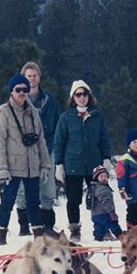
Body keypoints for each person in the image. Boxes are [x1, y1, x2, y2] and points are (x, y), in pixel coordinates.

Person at [0, 73, 51, 246]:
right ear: (11, 91)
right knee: (7, 202)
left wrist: (45, 164)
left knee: (34, 203)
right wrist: (1, 168)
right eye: (18, 89)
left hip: (32, 166)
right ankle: (0, 236)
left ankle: (39, 238)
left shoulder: (33, 112)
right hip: (12, 168)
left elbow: (41, 140)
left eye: (25, 89)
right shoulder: (2, 113)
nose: (22, 93)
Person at [53, 80, 113, 242]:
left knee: (100, 196)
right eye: (78, 95)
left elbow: (104, 139)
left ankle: (104, 228)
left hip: (94, 164)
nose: (81, 98)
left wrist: (106, 159)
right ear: (73, 97)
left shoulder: (97, 116)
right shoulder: (66, 117)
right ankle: (74, 229)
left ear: (89, 96)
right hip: (73, 164)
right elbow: (59, 142)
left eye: (84, 94)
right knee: (73, 199)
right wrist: (59, 164)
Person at [14, 61, 61, 235]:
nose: (32, 79)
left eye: (35, 75)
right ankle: (24, 225)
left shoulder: (50, 101)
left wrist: (52, 147)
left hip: (47, 149)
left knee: (48, 188)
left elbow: (58, 126)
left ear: (39, 77)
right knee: (22, 189)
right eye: (28, 76)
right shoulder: (17, 101)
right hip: (23, 151)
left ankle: (47, 225)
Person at [86, 165, 124, 241]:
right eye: (101, 176)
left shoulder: (93, 187)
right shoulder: (102, 188)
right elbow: (106, 202)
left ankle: (98, 238)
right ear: (96, 178)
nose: (104, 178)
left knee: (99, 227)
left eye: (105, 176)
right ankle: (121, 236)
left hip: (95, 215)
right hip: (105, 214)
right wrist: (111, 212)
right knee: (113, 225)